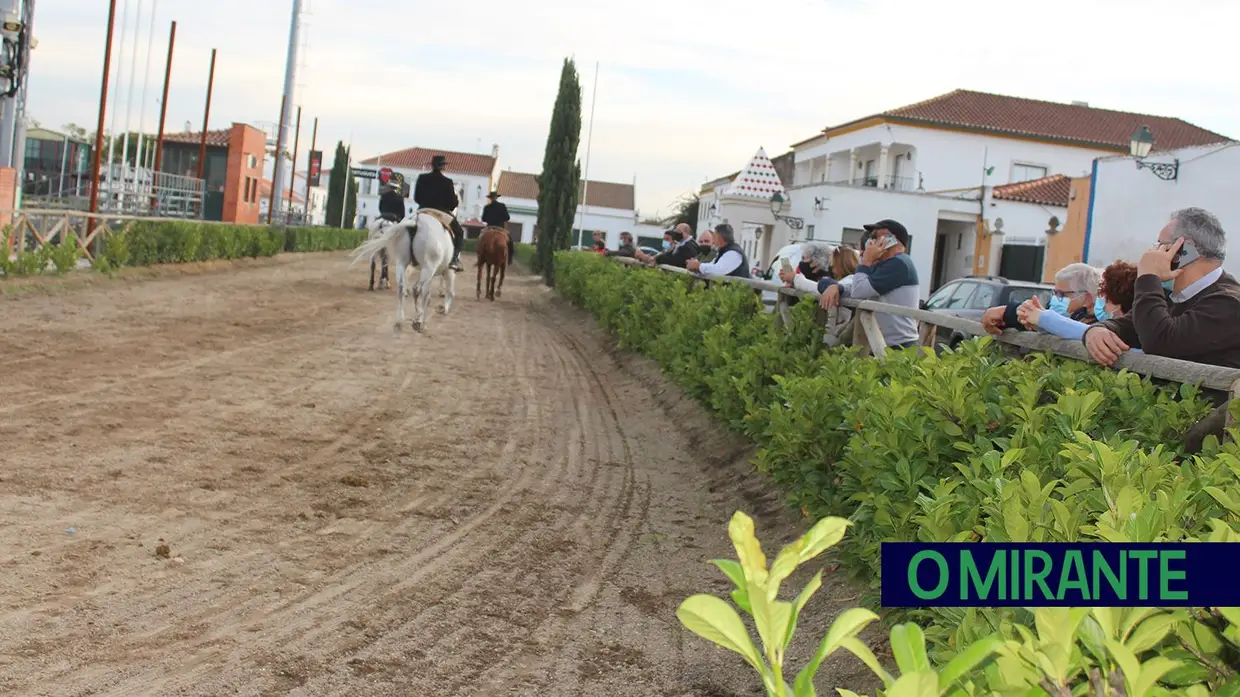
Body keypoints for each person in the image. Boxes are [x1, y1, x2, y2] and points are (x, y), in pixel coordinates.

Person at [1083, 207, 1240, 368]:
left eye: (1160, 245)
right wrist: (1096, 331)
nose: (1153, 252)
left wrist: (1148, 276)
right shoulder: (1172, 295)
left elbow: (1159, 341)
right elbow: (1128, 327)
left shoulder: (1230, 303)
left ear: (1184, 251)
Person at [818, 219, 921, 349]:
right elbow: (858, 286)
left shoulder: (899, 263)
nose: (870, 241)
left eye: (875, 237)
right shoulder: (886, 263)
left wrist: (866, 260)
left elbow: (859, 291)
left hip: (899, 345)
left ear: (891, 239)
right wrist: (837, 287)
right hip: (884, 342)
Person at [1013, 261, 1144, 353]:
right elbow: (1087, 332)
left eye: (1106, 299)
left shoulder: (1136, 335)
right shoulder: (1082, 316)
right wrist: (1040, 322)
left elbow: (1093, 335)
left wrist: (1044, 318)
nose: (1099, 302)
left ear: (1119, 304)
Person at [981, 262, 1102, 335]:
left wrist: (1039, 318)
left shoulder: (1102, 325)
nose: (1056, 299)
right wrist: (1012, 314)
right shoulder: (1077, 315)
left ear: (1087, 299)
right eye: (1055, 293)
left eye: (1062, 294)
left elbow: (1067, 329)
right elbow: (1051, 324)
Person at [413, 154, 465, 272]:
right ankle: (454, 259)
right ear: (443, 167)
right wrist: (454, 202)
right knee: (460, 232)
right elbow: (452, 204)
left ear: (432, 166)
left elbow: (416, 198)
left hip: (423, 210)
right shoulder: (447, 182)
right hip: (441, 213)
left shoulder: (422, 178)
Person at [481, 191, 513, 264]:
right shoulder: (502, 206)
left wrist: (490, 219)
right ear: (496, 198)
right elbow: (507, 218)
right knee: (510, 241)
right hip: (500, 228)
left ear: (490, 198)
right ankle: (510, 258)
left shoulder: (487, 207)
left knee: (480, 239)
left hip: (489, 228)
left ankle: (480, 256)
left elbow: (483, 219)